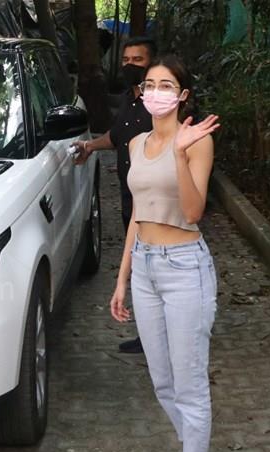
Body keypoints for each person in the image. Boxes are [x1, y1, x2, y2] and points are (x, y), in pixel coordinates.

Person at [109, 55, 220, 452]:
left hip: (185, 267)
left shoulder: (197, 141)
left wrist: (179, 154)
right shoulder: (137, 143)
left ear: (183, 95)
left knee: (189, 382)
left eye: (167, 85)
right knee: (162, 380)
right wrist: (122, 277)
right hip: (146, 268)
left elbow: (193, 212)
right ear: (141, 93)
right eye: (149, 84)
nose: (156, 91)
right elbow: (138, 212)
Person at [73, 36, 157, 355]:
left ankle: (162, 336)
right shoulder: (128, 99)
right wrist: (90, 146)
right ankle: (148, 333)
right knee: (141, 267)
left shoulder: (159, 104)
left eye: (137, 60)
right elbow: (117, 135)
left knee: (156, 269)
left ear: (152, 63)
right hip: (129, 199)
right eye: (126, 60)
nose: (129, 65)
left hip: (154, 203)